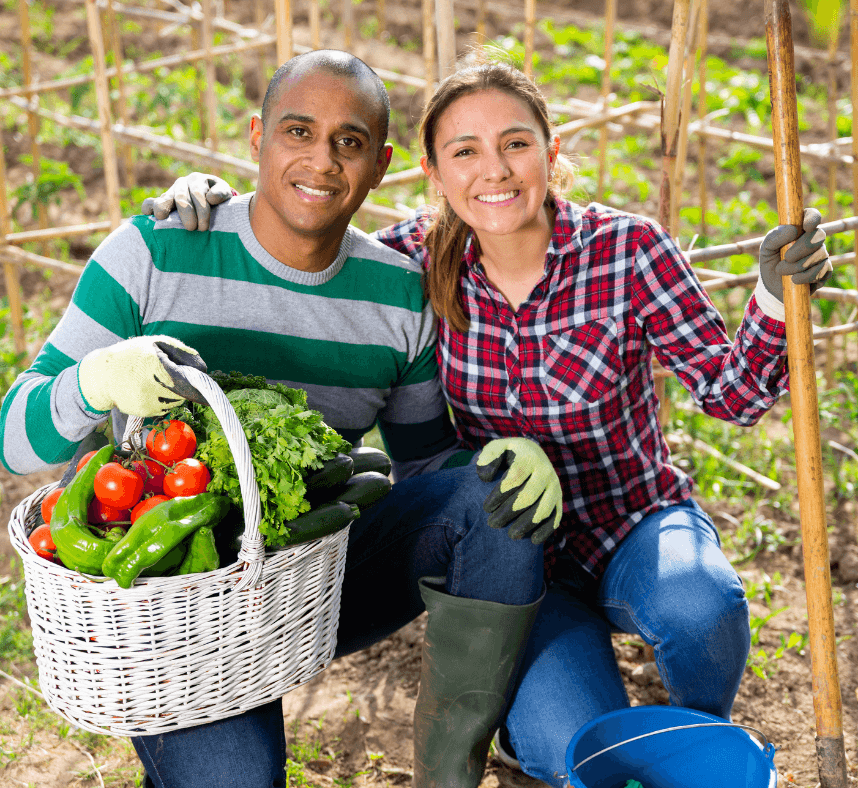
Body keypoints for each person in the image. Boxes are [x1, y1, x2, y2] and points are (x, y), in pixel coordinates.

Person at [146, 53, 832, 787]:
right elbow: (305, 234)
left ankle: (698, 739)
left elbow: (734, 396)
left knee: (701, 604)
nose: (494, 171)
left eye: (514, 143)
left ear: (550, 149)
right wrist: (215, 206)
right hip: (514, 557)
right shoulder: (412, 263)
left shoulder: (629, 252)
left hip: (633, 523)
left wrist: (770, 300)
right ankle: (536, 716)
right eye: (464, 152)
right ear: (433, 172)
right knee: (568, 748)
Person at [0, 51, 570, 788]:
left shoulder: (398, 295)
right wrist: (95, 381)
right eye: (297, 131)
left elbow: (426, 467)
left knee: (496, 505)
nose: (322, 161)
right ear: (257, 138)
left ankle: (451, 775)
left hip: (314, 579)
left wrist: (504, 459)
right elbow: (11, 442)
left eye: (350, 141)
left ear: (381, 164)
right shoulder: (153, 252)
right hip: (177, 606)